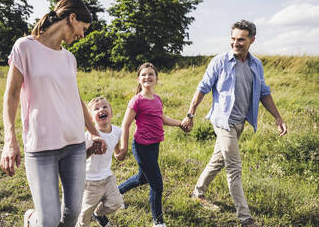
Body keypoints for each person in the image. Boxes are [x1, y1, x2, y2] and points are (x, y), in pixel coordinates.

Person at [0, 0, 107, 227]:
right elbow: (11, 96)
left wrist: (93, 132)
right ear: (72, 18)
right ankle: (31, 219)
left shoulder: (69, 58)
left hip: (75, 145)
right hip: (41, 148)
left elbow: (75, 99)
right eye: (83, 28)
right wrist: (10, 140)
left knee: (71, 216)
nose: (82, 35)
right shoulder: (25, 46)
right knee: (48, 221)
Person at [181, 20, 288, 227]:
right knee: (234, 168)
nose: (235, 43)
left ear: (252, 40)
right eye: (233, 38)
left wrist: (278, 117)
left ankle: (197, 192)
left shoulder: (256, 64)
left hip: (240, 123)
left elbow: (264, 93)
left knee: (218, 160)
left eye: (241, 39)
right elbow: (202, 88)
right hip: (223, 122)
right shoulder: (219, 62)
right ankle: (245, 218)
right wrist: (190, 114)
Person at [116, 62, 185, 227]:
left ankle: (114, 194)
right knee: (157, 185)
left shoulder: (157, 99)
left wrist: (180, 124)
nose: (147, 77)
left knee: (142, 178)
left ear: (156, 78)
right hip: (141, 147)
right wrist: (124, 148)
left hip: (155, 146)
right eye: (144, 74)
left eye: (151, 74)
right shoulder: (136, 101)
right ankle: (158, 222)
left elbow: (162, 118)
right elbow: (125, 125)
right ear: (139, 79)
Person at [75, 97, 124, 227]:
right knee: (84, 215)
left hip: (108, 177)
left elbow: (116, 149)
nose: (101, 109)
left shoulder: (118, 131)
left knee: (116, 203)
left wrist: (119, 154)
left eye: (104, 107)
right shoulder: (88, 136)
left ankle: (97, 213)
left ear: (111, 112)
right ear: (90, 118)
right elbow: (79, 157)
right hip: (90, 181)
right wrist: (91, 149)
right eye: (96, 109)